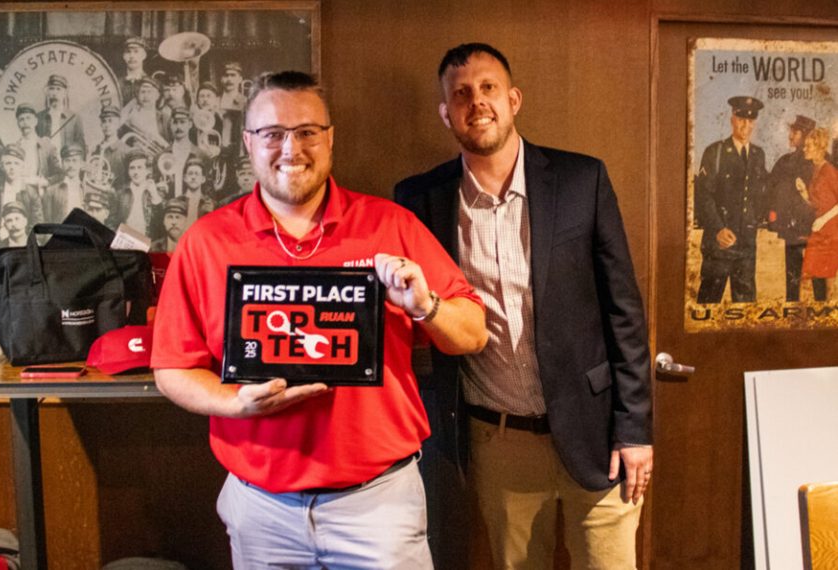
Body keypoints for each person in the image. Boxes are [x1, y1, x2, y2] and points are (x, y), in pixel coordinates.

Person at [151, 70, 487, 570]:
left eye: (308, 131)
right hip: (261, 508)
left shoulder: (389, 225)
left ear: (329, 139)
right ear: (249, 142)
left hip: (379, 507)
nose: (292, 148)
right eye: (273, 134)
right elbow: (172, 369)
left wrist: (425, 306)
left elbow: (474, 334)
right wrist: (235, 402)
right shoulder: (207, 242)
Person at [395, 43, 652, 570]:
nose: (477, 101)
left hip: (597, 432)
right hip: (497, 440)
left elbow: (624, 311)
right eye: (461, 94)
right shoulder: (419, 200)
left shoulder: (583, 180)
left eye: (488, 88)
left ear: (513, 99)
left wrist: (634, 430)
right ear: (446, 113)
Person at [695, 96, 768, 303]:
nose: (746, 125)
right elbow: (703, 196)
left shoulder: (758, 154)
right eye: (741, 119)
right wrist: (718, 228)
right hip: (719, 245)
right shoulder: (715, 152)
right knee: (709, 303)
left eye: (751, 120)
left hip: (746, 246)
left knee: (745, 309)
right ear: (732, 119)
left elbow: (760, 194)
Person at [766, 115, 818, 302]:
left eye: (795, 131)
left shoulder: (821, 161)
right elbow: (770, 191)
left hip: (816, 230)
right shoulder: (784, 161)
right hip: (792, 231)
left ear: (805, 135)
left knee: (819, 281)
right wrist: (773, 219)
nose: (790, 135)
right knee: (792, 280)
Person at [797, 127, 838, 301]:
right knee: (815, 276)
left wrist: (822, 220)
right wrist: (804, 193)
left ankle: (828, 319)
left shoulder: (829, 171)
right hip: (819, 230)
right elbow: (816, 204)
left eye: (808, 146)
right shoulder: (814, 170)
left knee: (825, 277)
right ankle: (822, 314)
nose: (804, 149)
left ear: (819, 148)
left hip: (830, 231)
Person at [36, 74, 86, 153]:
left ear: (65, 93)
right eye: (51, 89)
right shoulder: (39, 117)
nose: (55, 93)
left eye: (58, 89)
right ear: (47, 92)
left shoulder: (74, 118)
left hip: (67, 162)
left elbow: (81, 146)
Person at [42, 144, 87, 223]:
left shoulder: (87, 190)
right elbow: (46, 223)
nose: (71, 165)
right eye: (67, 161)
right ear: (62, 164)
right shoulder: (51, 192)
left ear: (81, 163)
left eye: (74, 160)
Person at [119, 37, 149, 107]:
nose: (132, 56)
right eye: (128, 52)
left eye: (136, 51)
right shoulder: (117, 83)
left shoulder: (152, 83)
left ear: (144, 55)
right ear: (123, 56)